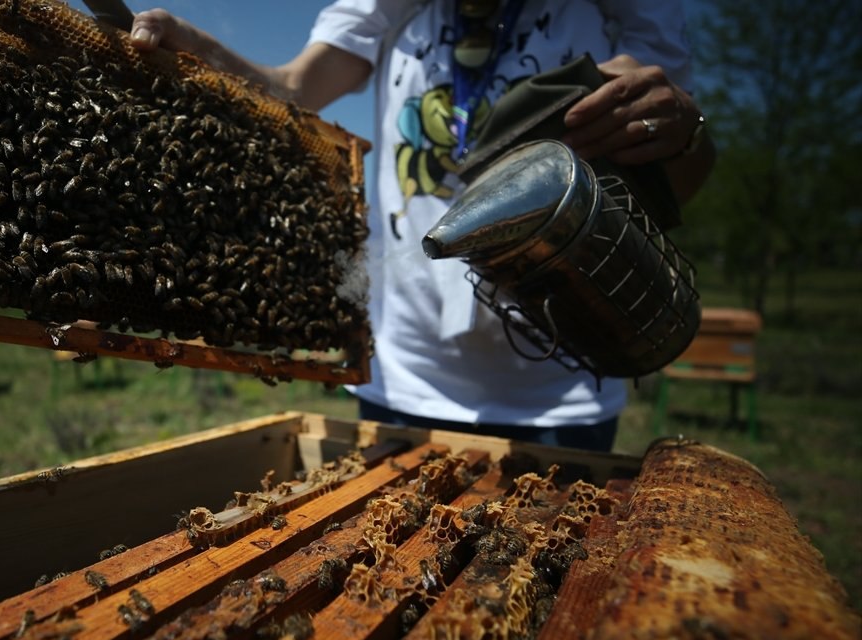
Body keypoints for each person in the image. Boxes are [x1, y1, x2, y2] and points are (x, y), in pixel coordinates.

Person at [127, 0, 716, 452]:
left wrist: (684, 129)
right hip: (403, 378)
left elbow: (674, 178)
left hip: (558, 393)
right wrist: (205, 59)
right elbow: (295, 89)